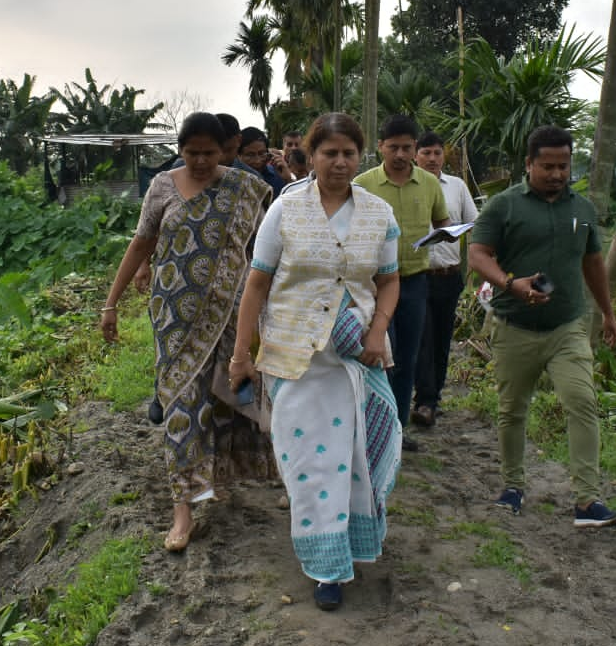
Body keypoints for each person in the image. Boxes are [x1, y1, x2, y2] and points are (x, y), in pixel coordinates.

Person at [231, 112, 402, 612]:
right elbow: (258, 283)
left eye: (349, 153)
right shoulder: (286, 211)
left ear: (360, 154)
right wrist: (243, 355)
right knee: (309, 463)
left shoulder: (378, 214)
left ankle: (348, 551)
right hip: (295, 360)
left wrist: (377, 330)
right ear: (311, 156)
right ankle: (324, 565)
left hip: (355, 361)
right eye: (330, 153)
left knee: (352, 459)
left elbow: (389, 280)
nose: (341, 162)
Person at [100, 112, 276, 551]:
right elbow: (142, 242)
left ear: (225, 152)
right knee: (181, 402)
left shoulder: (247, 189)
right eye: (191, 152)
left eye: (209, 153)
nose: (200, 161)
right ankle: (184, 509)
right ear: (179, 150)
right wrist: (111, 302)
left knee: (227, 396)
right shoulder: (161, 187)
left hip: (232, 312)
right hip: (173, 315)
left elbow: (268, 251)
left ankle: (217, 479)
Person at [467, 125, 616, 528]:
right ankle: (512, 486)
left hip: (567, 327)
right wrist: (510, 284)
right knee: (512, 410)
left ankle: (588, 501)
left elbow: (592, 264)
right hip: (513, 325)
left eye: (564, 166)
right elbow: (478, 254)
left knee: (582, 401)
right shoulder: (504, 206)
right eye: (548, 166)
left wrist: (608, 312)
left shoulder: (583, 210)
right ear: (529, 164)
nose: (557, 174)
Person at [353, 114, 449, 446]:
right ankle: (370, 429)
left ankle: (397, 430)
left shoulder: (429, 183)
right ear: (380, 146)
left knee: (407, 357)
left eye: (407, 148)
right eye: (393, 147)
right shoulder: (363, 184)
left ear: (415, 148)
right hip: (373, 283)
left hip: (415, 281)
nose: (400, 154)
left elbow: (442, 221)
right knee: (378, 355)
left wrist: (443, 235)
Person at [410, 131, 479, 429]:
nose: (433, 158)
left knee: (441, 339)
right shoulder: (408, 186)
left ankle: (433, 397)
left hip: (449, 274)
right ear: (416, 155)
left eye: (437, 153)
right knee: (421, 338)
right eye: (426, 153)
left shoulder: (457, 187)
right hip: (416, 274)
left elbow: (474, 223)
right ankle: (423, 400)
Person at [238, 126, 286, 197]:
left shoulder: (278, 175)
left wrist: (288, 180)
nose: (257, 161)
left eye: (261, 153)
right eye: (250, 155)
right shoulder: (231, 179)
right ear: (238, 155)